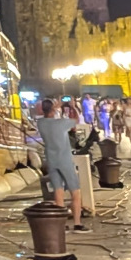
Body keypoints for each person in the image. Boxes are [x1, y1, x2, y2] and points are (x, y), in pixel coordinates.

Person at [36, 96, 87, 227]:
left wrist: (55, 108)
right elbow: (77, 120)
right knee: (75, 192)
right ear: (53, 109)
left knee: (58, 193)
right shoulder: (61, 123)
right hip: (65, 160)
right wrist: (73, 106)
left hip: (51, 161)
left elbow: (48, 117)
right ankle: (77, 223)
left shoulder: (40, 123)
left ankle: (61, 225)